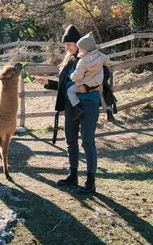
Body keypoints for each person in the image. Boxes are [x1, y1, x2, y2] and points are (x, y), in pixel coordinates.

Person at [35, 25, 115, 194]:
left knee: (87, 141)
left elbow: (106, 74)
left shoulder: (91, 58)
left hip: (89, 102)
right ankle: (73, 175)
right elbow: (66, 86)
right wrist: (48, 83)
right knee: (70, 140)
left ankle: (90, 181)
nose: (67, 48)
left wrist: (88, 86)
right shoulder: (69, 63)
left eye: (69, 44)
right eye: (65, 46)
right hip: (71, 104)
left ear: (79, 44)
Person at [67, 31, 114, 121]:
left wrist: (72, 76)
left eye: (80, 48)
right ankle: (108, 110)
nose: (79, 50)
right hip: (98, 85)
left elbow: (77, 76)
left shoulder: (83, 61)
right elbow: (108, 61)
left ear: (85, 49)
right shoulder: (100, 56)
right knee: (101, 95)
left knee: (70, 91)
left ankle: (77, 108)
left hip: (86, 86)